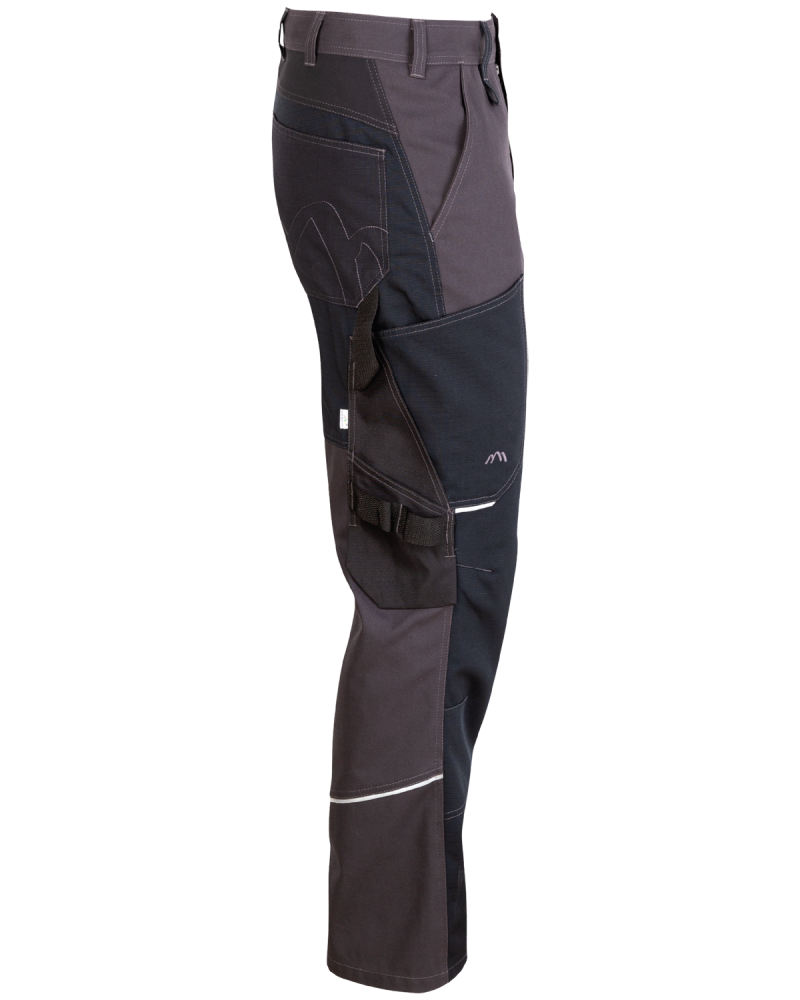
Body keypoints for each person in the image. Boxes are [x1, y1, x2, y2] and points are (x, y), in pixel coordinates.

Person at [272, 10, 526, 992]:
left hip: (340, 86)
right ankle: (397, 953)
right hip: (412, 104)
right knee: (439, 566)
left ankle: (388, 937)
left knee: (403, 539)